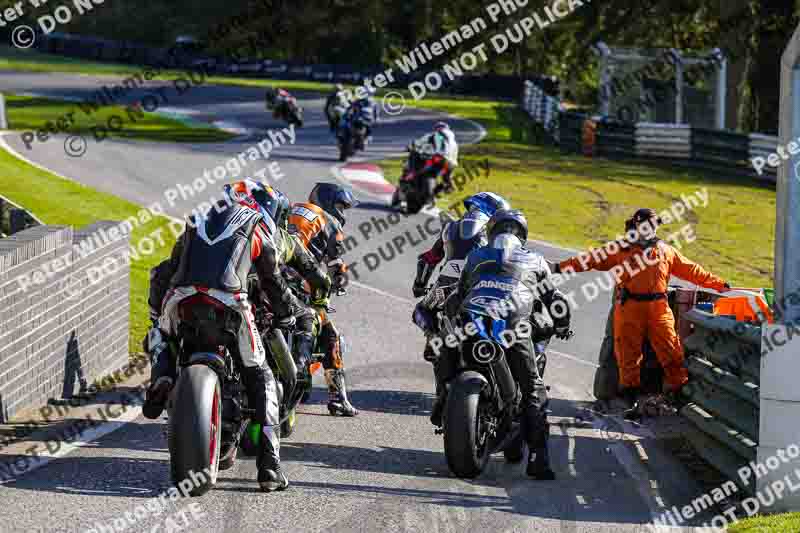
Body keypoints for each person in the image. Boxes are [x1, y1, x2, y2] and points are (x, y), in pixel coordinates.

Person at [144, 179, 298, 492]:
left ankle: (161, 377)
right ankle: (269, 467)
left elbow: (168, 268)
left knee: (161, 335)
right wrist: (286, 314)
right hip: (232, 301)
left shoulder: (197, 217)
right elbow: (272, 280)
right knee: (262, 375)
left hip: (182, 297)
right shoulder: (258, 225)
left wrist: (156, 309)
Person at [553, 208, 731, 419]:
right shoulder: (620, 249)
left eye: (652, 225)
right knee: (627, 354)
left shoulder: (666, 251)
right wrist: (558, 267)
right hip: (629, 307)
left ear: (656, 227)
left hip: (658, 308)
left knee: (671, 351)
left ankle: (678, 394)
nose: (648, 229)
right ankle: (629, 398)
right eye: (644, 225)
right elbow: (589, 259)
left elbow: (692, 270)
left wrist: (720, 284)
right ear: (636, 226)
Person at [444, 209, 572, 479]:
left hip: (472, 321)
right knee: (534, 389)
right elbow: (557, 301)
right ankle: (538, 459)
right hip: (513, 327)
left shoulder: (475, 255)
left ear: (491, 233)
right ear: (522, 235)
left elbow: (459, 294)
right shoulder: (535, 259)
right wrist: (562, 325)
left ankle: (443, 397)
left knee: (448, 346)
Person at [411, 192, 510, 423]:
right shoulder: (500, 230)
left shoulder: (451, 227)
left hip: (448, 282)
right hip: (487, 284)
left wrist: (419, 285)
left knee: (421, 311)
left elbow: (427, 259)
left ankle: (433, 338)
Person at [287, 183, 359, 416]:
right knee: (330, 335)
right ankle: (338, 398)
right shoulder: (329, 221)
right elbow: (335, 264)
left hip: (266, 274)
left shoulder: (289, 210)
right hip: (297, 282)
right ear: (329, 203)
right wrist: (340, 280)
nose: (342, 212)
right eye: (341, 206)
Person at [412, 122, 459, 194]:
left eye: (437, 128)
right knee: (446, 178)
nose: (436, 130)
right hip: (452, 163)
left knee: (425, 170)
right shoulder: (454, 142)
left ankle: (425, 186)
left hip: (441, 158)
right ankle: (447, 188)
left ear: (438, 128)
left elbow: (419, 143)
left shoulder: (437, 135)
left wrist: (415, 146)